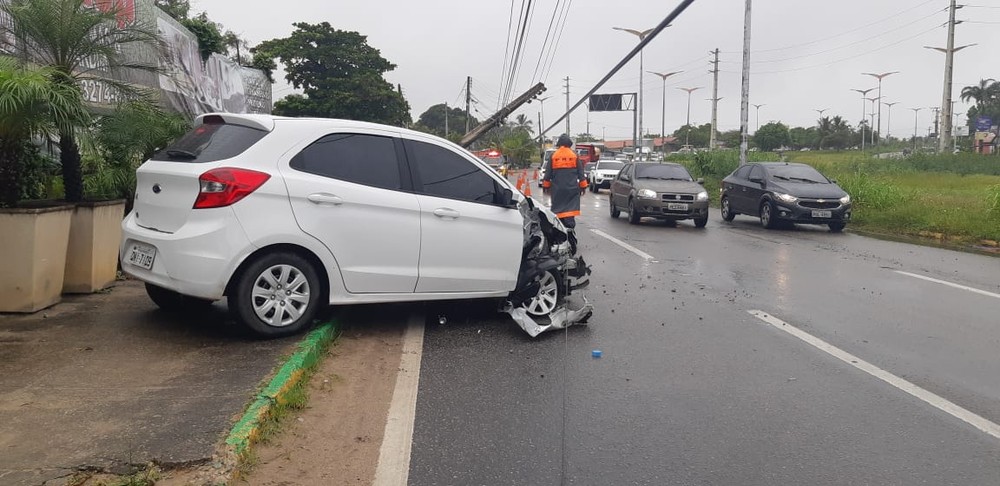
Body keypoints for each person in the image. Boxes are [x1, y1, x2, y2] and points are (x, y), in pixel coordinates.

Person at [542, 134, 588, 228]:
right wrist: (583, 187)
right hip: (572, 189)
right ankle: (570, 228)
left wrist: (546, 186)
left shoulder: (553, 156)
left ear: (559, 144)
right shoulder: (574, 156)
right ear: (569, 144)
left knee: (558, 211)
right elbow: (581, 173)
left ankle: (560, 229)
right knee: (570, 210)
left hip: (557, 190)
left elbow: (547, 174)